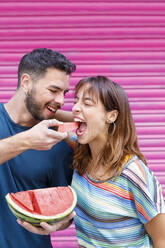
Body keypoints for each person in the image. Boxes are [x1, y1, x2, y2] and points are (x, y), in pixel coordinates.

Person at [70, 76, 165, 247]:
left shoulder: (133, 173)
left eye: (87, 103)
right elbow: (55, 119)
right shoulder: (81, 154)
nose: (75, 108)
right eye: (76, 101)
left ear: (111, 116)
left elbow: (162, 239)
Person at [0, 48, 76, 248]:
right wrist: (27, 140)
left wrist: (59, 224)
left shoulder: (57, 142)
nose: (61, 101)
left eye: (64, 93)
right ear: (26, 82)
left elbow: (65, 212)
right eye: (53, 90)